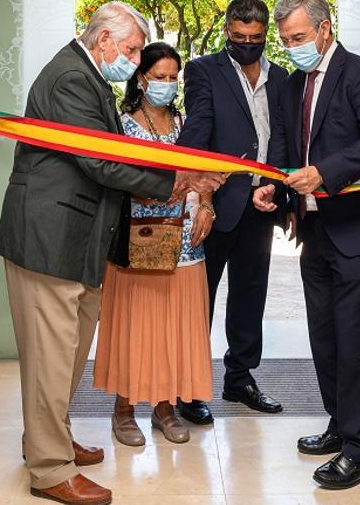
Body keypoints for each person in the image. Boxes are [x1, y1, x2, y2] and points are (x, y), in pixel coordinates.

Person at [0, 1, 225, 505]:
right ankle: (49, 468)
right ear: (104, 42)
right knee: (50, 358)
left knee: (67, 354)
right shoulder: (72, 80)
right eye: (133, 49)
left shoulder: (87, 75)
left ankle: (50, 439)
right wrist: (179, 180)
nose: (135, 59)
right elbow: (103, 162)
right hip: (50, 239)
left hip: (77, 239)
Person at [252, 0, 360, 490]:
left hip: (358, 230)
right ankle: (340, 424)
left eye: (298, 37)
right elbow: (284, 147)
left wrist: (324, 172)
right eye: (286, 39)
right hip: (314, 230)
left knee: (359, 344)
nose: (291, 46)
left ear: (323, 28)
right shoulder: (293, 84)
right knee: (325, 339)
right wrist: (272, 185)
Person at [94, 42, 215, 446]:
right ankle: (123, 410)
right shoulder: (123, 125)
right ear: (141, 78)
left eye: (172, 77)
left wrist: (207, 205)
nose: (166, 84)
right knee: (136, 327)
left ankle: (165, 408)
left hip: (186, 244)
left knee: (174, 327)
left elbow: (206, 171)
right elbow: (116, 178)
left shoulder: (187, 123)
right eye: (158, 76)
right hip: (139, 244)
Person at [176, 0, 288, 424]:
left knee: (249, 297)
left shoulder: (279, 78)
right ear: (226, 32)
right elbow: (201, 124)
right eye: (239, 37)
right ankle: (189, 388)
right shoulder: (204, 71)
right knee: (199, 301)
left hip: (260, 203)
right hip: (217, 204)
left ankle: (239, 378)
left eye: (256, 38)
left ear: (265, 37)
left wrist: (275, 187)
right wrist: (187, 178)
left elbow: (281, 138)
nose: (247, 44)